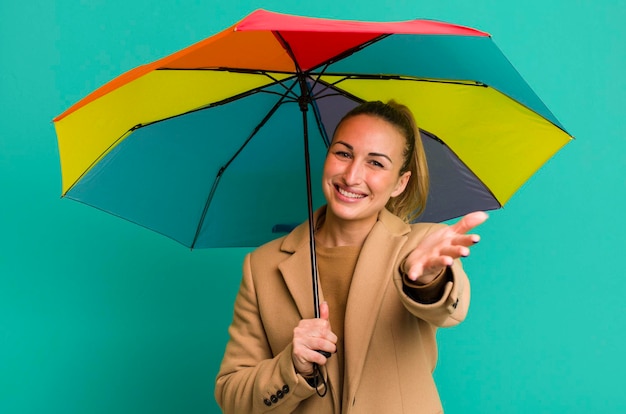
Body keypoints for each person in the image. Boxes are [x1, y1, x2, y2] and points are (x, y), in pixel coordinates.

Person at [215, 100, 488, 413]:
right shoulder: (262, 266)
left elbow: (450, 310)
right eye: (343, 153)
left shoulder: (421, 245)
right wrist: (293, 365)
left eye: (376, 163)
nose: (352, 175)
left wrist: (426, 280)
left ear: (400, 183)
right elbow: (232, 395)